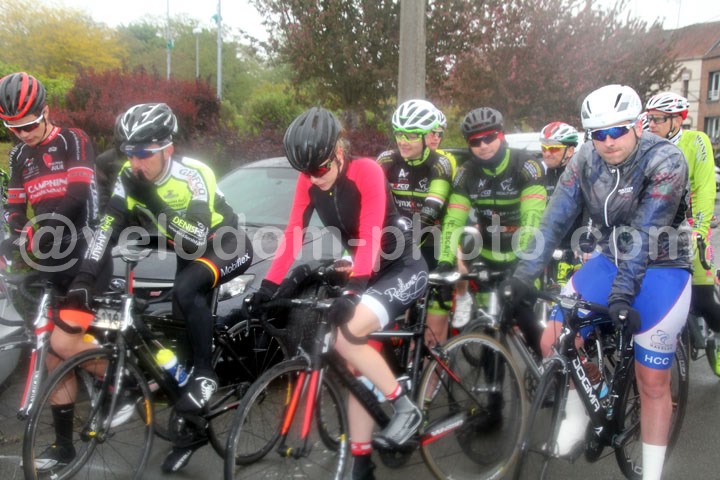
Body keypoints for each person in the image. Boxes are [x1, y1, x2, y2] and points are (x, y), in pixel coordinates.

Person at [507, 84, 692, 480]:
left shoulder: (666, 159)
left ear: (638, 125)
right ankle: (579, 413)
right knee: (554, 337)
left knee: (651, 381)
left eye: (617, 130)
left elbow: (645, 234)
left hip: (663, 265)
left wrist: (622, 295)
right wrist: (523, 275)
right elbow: (554, 220)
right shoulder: (585, 159)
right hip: (611, 259)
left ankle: (651, 473)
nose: (608, 141)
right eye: (598, 133)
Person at [64, 102, 254, 472]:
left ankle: (206, 375)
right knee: (175, 350)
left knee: (186, 289)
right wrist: (84, 279)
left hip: (224, 243)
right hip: (187, 252)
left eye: (144, 153)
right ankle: (192, 428)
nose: (135, 163)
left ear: (168, 148)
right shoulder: (128, 174)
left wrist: (151, 199)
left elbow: (196, 237)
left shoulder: (194, 174)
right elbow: (106, 227)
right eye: (129, 153)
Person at [250, 107, 428, 480]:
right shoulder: (309, 180)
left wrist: (354, 289)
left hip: (402, 267)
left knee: (347, 336)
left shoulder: (367, 171)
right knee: (354, 369)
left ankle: (405, 408)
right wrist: (268, 287)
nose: (314, 178)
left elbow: (371, 234)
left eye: (319, 168)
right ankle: (361, 463)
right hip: (368, 272)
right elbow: (293, 236)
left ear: (338, 151)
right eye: (306, 172)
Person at [0, 72, 112, 469]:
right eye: (14, 128)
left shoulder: (73, 139)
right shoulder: (18, 156)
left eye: (30, 124)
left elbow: (78, 196)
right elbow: (14, 206)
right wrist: (18, 233)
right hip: (51, 255)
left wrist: (42, 229)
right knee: (51, 352)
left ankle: (120, 378)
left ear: (46, 111)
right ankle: (64, 447)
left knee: (64, 343)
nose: (24, 134)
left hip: (86, 250)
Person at [437, 107, 547, 354]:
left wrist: (522, 260)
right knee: (489, 326)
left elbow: (532, 218)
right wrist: (445, 261)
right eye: (475, 141)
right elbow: (453, 220)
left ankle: (547, 369)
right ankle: (492, 379)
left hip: (522, 255)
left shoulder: (526, 165)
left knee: (524, 316)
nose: (483, 145)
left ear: (501, 135)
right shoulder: (466, 173)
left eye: (489, 137)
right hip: (488, 256)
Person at [646, 92, 720, 368]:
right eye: (649, 118)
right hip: (658, 232)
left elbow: (705, 187)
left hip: (691, 228)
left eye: (658, 119)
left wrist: (699, 228)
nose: (651, 124)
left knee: (703, 299)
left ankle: (718, 336)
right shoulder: (647, 146)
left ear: (677, 120)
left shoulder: (696, 141)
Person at [377, 99, 453, 348]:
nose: (402, 141)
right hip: (399, 241)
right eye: (399, 133)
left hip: (432, 244)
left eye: (410, 135)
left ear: (427, 136)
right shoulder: (387, 160)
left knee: (432, 335)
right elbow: (370, 204)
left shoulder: (440, 164)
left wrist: (402, 248)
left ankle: (435, 363)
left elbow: (430, 211)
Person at [539, 122, 582, 288]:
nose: (547, 153)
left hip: (575, 250)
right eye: (544, 148)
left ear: (570, 151)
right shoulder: (539, 174)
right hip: (547, 249)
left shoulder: (581, 174)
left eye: (553, 148)